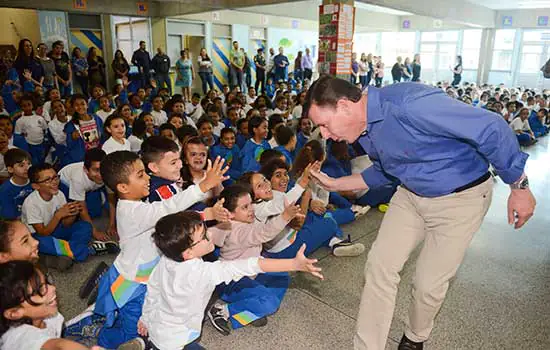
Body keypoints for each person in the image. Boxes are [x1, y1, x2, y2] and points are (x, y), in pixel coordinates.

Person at [303, 75, 536, 350]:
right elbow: (385, 169)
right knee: (379, 267)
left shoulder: (409, 104)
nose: (326, 135)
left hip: (461, 199)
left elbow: (491, 127)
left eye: (324, 125)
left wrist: (519, 186)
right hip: (411, 196)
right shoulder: (366, 128)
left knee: (427, 285)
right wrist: (335, 184)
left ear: (344, 105)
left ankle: (415, 337)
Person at [94, 151, 228, 348]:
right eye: (140, 175)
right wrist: (204, 186)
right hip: (133, 284)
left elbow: (171, 218)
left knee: (151, 321)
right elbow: (167, 209)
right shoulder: (132, 211)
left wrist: (207, 213)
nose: (148, 177)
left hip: (146, 276)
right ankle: (101, 342)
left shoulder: (139, 204)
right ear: (123, 187)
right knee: (132, 332)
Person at [138, 210, 322, 350]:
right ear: (188, 253)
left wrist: (145, 318)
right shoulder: (203, 272)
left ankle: (145, 344)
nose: (209, 235)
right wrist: (293, 264)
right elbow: (249, 265)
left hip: (156, 325)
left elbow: (153, 290)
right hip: (176, 339)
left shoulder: (167, 259)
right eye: (203, 237)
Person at [207, 184, 303, 335]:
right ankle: (222, 310)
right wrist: (285, 216)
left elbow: (213, 233)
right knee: (270, 303)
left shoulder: (240, 222)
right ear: (230, 214)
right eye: (245, 207)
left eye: (251, 204)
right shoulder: (237, 230)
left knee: (282, 277)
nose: (251, 209)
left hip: (250, 273)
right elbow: (263, 233)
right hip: (232, 282)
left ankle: (248, 312)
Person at [0, 149, 33, 220]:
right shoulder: (5, 190)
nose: (27, 168)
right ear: (10, 169)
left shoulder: (35, 181)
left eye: (29, 163)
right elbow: (10, 218)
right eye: (21, 165)